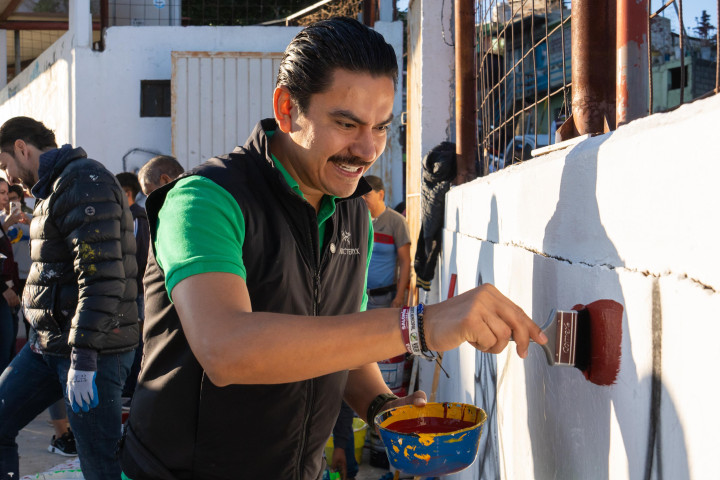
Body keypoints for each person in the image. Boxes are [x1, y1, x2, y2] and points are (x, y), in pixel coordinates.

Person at [119, 17, 546, 479]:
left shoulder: (353, 213)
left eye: (381, 127)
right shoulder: (204, 199)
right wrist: (420, 326)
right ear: (287, 108)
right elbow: (226, 349)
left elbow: (343, 344)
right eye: (346, 123)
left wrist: (384, 406)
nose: (367, 149)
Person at [0, 116, 139, 480]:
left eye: (5, 165)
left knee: (100, 462)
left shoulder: (82, 181)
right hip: (47, 346)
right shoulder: (52, 190)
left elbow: (102, 276)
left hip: (92, 352)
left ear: (21, 147)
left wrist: (85, 357)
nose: (8, 176)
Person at [116, 172, 150, 402]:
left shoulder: (137, 218)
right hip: (128, 289)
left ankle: (132, 387)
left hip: (135, 290)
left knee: (135, 339)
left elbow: (138, 257)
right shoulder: (126, 216)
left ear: (127, 192)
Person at [362, 175, 411, 309]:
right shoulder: (359, 221)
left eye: (366, 195)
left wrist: (399, 297)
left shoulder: (396, 222)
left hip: (383, 300)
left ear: (381, 195)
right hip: (359, 298)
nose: (363, 200)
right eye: (360, 196)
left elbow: (405, 261)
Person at [0, 178, 22, 373]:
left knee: (8, 353)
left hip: (10, 292)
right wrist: (4, 289)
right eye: (1, 193)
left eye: (7, 193)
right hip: (3, 294)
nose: (6, 198)